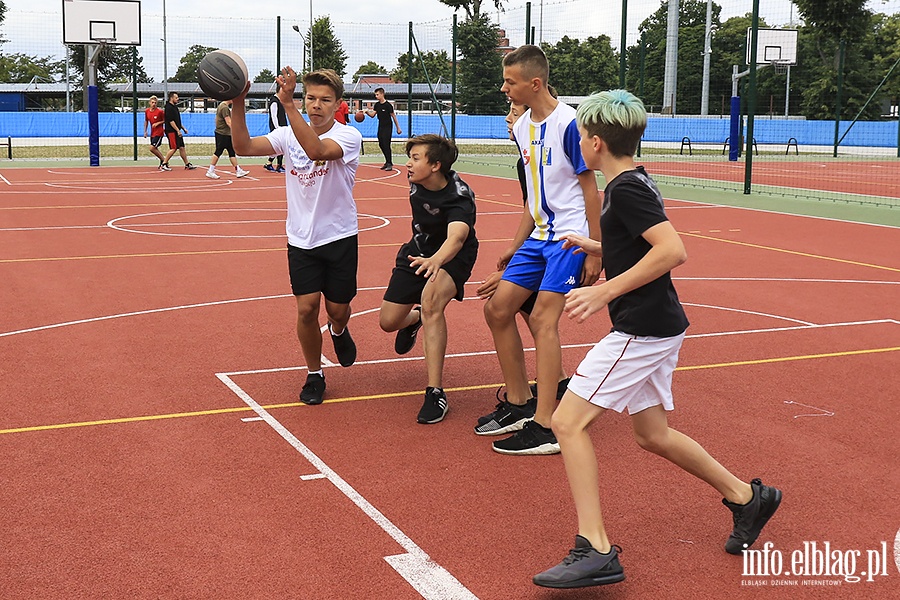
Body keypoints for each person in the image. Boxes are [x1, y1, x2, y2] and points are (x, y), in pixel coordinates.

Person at [531, 89, 783, 589]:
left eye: (580, 134)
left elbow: (671, 251)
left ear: (595, 142)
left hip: (642, 327)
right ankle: (747, 498)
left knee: (566, 422)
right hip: (656, 324)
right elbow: (639, 243)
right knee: (652, 435)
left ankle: (596, 547)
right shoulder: (630, 180)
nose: (578, 140)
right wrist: (598, 246)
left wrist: (604, 291)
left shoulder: (625, 189)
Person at [478, 45, 601, 455]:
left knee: (543, 321)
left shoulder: (570, 124)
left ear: (535, 83)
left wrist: (597, 250)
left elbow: (589, 190)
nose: (503, 88)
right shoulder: (521, 127)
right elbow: (533, 196)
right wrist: (514, 249)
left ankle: (547, 425)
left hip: (569, 237)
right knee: (497, 308)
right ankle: (518, 403)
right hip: (539, 237)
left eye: (510, 81)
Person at [231, 67, 363, 405]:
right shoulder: (287, 136)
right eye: (311, 98)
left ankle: (338, 329)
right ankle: (315, 373)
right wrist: (238, 101)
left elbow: (318, 150)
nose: (316, 105)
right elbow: (244, 146)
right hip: (301, 239)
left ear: (338, 104)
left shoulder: (348, 136)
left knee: (337, 309)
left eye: (324, 100)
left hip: (338, 236)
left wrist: (288, 105)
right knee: (306, 310)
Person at [475, 93, 569, 425]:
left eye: (514, 112)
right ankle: (550, 386)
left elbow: (564, 206)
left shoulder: (555, 141)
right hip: (539, 244)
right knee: (511, 311)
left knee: (525, 315)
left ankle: (533, 408)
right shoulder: (525, 159)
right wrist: (515, 251)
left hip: (558, 244)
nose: (508, 118)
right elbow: (533, 208)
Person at [379, 134, 478, 424]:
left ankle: (435, 392)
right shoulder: (416, 181)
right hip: (418, 251)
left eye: (415, 158)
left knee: (432, 300)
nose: (407, 164)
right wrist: (427, 256)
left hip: (453, 257)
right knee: (388, 322)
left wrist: (437, 260)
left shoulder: (459, 196)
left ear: (435, 165)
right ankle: (415, 319)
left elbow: (457, 237)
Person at [206, 100, 249, 179]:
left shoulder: (221, 106)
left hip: (225, 133)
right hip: (223, 134)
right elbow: (228, 121)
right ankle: (210, 170)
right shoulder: (224, 107)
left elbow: (216, 119)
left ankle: (238, 170)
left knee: (231, 152)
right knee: (218, 151)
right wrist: (236, 131)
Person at [365, 87, 401, 170]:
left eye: (377, 94)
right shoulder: (377, 105)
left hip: (388, 126)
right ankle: (387, 161)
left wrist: (398, 128)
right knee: (381, 144)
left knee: (386, 144)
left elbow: (394, 117)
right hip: (381, 126)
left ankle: (389, 163)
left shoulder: (388, 105)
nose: (376, 96)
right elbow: (372, 115)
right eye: (375, 95)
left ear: (382, 94)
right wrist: (366, 111)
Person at [161, 92, 197, 171]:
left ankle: (187, 164)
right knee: (173, 148)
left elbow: (177, 121)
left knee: (182, 147)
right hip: (171, 131)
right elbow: (171, 121)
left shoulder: (175, 107)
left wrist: (183, 128)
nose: (178, 99)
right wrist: (177, 130)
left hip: (177, 131)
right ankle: (164, 163)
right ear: (171, 98)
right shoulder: (168, 107)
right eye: (176, 98)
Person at [264, 90, 287, 173]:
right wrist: (277, 128)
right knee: (280, 146)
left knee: (279, 147)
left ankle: (269, 163)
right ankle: (279, 165)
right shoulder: (274, 101)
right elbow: (274, 116)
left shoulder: (279, 101)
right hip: (277, 127)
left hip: (281, 126)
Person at [143, 95, 166, 169]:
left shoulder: (160, 111)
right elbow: (146, 121)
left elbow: (165, 120)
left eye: (155, 103)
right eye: (152, 102)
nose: (154, 104)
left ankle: (164, 161)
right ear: (149, 103)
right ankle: (163, 161)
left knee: (152, 148)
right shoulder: (147, 111)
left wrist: (158, 123)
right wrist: (145, 131)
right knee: (154, 148)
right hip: (152, 133)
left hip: (159, 132)